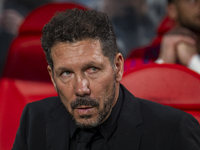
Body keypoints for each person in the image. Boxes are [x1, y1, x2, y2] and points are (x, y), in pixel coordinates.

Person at [12, 8, 200, 150]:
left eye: (92, 69)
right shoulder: (35, 118)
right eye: (66, 73)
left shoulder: (175, 130)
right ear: (52, 77)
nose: (81, 88)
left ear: (117, 67)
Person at [125, 0, 200, 74]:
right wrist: (163, 62)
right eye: (192, 0)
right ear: (172, 10)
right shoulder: (141, 56)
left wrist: (193, 61)